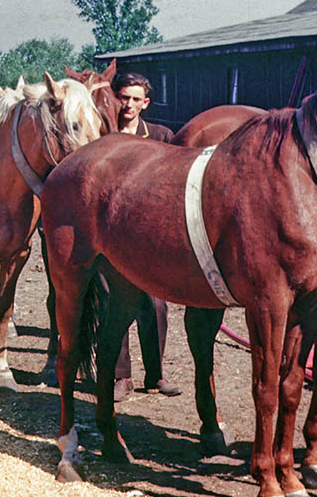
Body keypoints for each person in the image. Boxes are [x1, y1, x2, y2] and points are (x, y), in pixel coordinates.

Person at [111, 71, 182, 401]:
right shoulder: (103, 135)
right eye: (124, 97)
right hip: (111, 234)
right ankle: (120, 377)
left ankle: (156, 375)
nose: (128, 104)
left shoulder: (162, 135)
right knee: (115, 303)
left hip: (151, 235)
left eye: (135, 99)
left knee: (156, 304)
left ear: (145, 103)